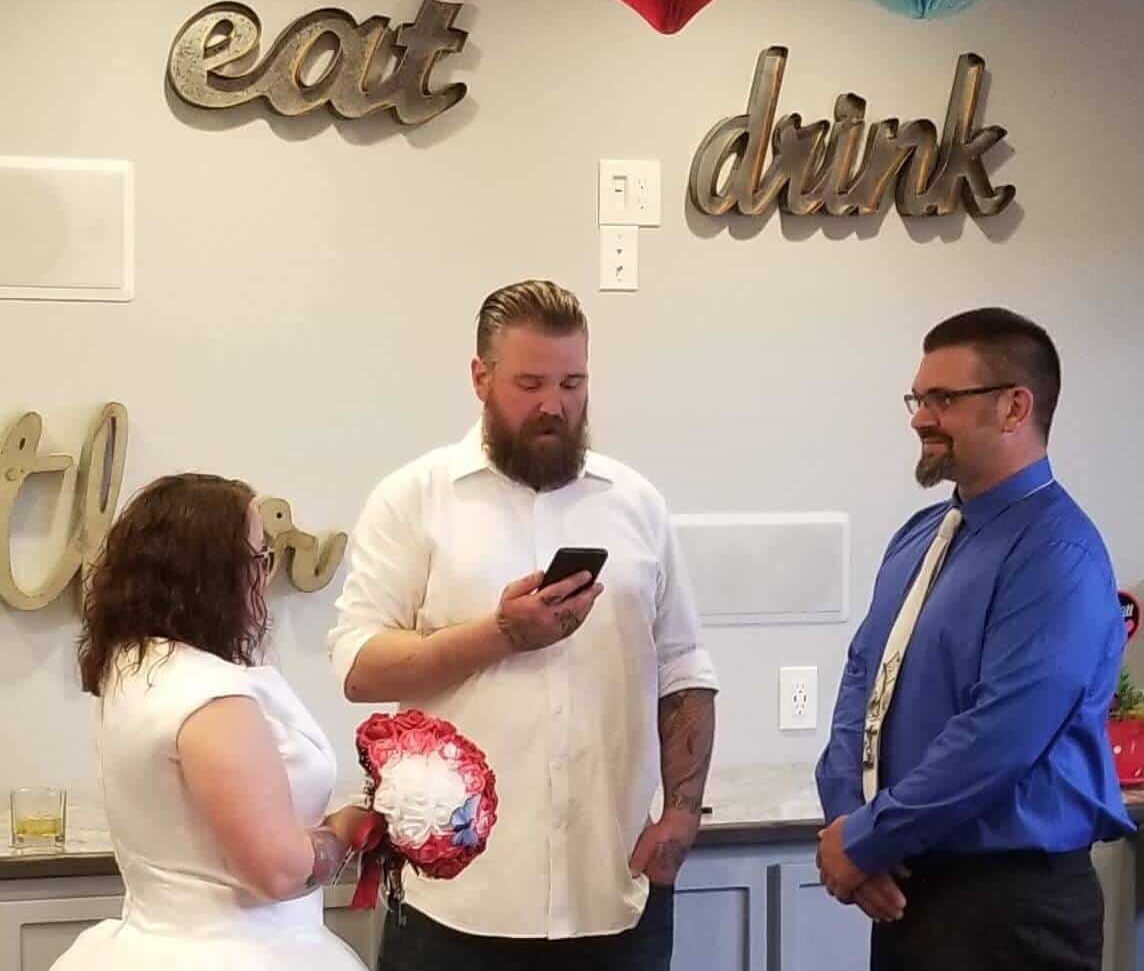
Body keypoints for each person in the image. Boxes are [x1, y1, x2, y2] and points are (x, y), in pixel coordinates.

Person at [328, 279, 718, 971]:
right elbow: (359, 664)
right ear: (480, 378)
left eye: (573, 382)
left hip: (613, 896)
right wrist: (499, 633)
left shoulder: (635, 503)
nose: (554, 405)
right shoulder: (413, 498)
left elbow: (684, 667)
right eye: (530, 382)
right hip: (454, 902)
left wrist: (683, 812)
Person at [815, 308, 1135, 971]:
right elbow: (861, 684)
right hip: (907, 889)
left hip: (1011, 908)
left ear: (1014, 406)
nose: (918, 417)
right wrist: (850, 825)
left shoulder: (1058, 552)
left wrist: (868, 837)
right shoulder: (921, 536)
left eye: (942, 399)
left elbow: (999, 734)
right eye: (917, 397)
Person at [52, 473, 382, 971]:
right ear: (210, 574)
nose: (264, 575)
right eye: (256, 557)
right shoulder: (209, 696)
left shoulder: (133, 666)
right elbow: (278, 872)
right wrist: (344, 829)